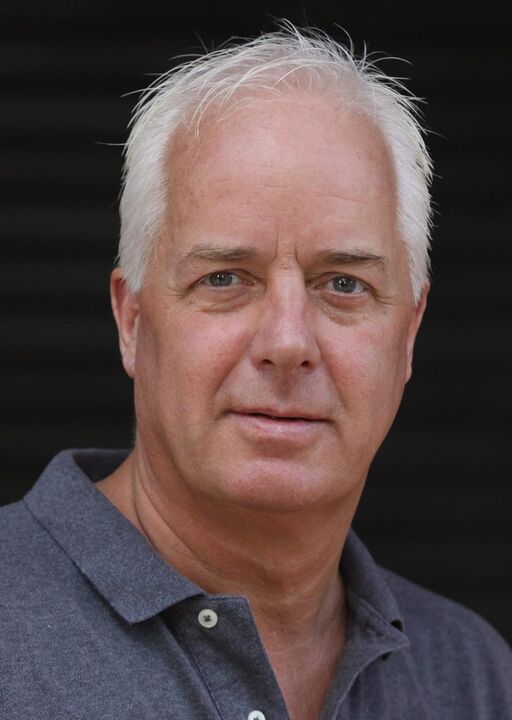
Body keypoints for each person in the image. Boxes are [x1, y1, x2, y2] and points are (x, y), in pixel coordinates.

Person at [1, 24, 511, 720]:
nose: (288, 342)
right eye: (225, 278)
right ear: (132, 320)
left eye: (344, 284)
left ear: (409, 334)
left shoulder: (473, 677)